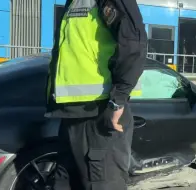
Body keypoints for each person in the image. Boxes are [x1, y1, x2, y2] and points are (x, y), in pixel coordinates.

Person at [44, 0, 147, 189]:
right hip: (70, 111)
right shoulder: (74, 2)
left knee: (102, 182)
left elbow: (134, 44)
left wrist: (118, 100)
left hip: (100, 110)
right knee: (65, 182)